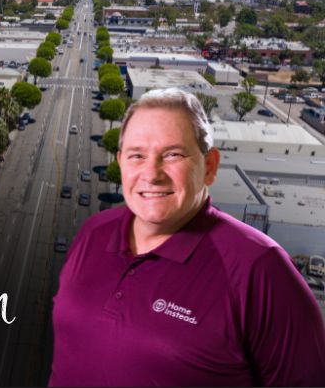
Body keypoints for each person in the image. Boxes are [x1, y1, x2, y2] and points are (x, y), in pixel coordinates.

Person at [49, 88, 325, 386]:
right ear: (121, 162)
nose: (152, 174)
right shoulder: (94, 232)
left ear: (209, 166)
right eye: (136, 155)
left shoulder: (260, 270)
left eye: (173, 155)